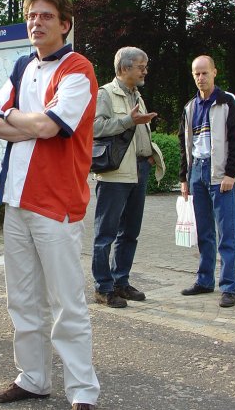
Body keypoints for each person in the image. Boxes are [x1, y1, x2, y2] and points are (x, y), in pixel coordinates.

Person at [0, 0, 100, 410]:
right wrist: (31, 123)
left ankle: (83, 391)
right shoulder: (21, 66)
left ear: (65, 24)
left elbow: (51, 127)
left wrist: (17, 116)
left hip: (57, 202)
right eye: (32, 15)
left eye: (46, 16)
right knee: (22, 299)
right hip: (17, 199)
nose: (37, 22)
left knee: (66, 303)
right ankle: (33, 378)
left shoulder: (78, 68)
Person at [91, 46, 165, 308]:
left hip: (139, 170)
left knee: (130, 232)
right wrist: (128, 121)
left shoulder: (136, 94)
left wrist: (148, 153)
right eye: (141, 67)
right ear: (124, 68)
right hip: (115, 174)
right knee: (105, 234)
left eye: (145, 66)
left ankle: (120, 282)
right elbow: (94, 128)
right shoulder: (105, 93)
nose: (145, 71)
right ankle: (103, 287)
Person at [179, 55, 235, 308]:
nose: (201, 78)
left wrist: (231, 173)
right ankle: (205, 280)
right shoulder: (190, 107)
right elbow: (185, 145)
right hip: (197, 173)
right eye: (196, 73)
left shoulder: (227, 101)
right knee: (204, 232)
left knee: (226, 233)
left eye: (205, 73)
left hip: (220, 176)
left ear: (214, 72)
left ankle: (228, 286)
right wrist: (184, 178)